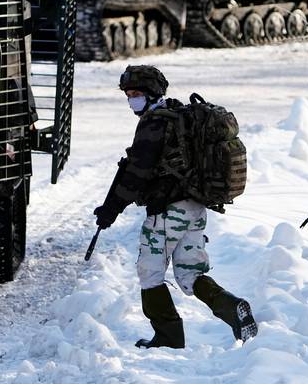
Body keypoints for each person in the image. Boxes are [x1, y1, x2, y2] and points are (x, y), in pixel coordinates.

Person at [93, 65, 258, 349]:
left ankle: (168, 337)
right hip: (194, 207)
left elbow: (136, 174)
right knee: (190, 274)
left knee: (149, 273)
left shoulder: (154, 123)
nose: (131, 100)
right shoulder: (179, 114)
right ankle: (233, 309)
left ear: (150, 93)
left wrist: (111, 209)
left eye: (135, 94)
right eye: (128, 95)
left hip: (166, 211)